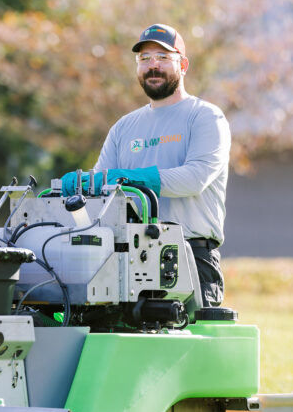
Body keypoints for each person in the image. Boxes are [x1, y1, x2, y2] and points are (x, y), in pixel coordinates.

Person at [60, 23, 231, 308]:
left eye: (163, 57)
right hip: (124, 257)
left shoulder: (205, 117)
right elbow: (102, 187)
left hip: (189, 254)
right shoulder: (123, 127)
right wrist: (82, 185)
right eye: (145, 58)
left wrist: (129, 180)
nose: (153, 66)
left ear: (183, 65)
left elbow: (195, 178)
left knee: (187, 337)